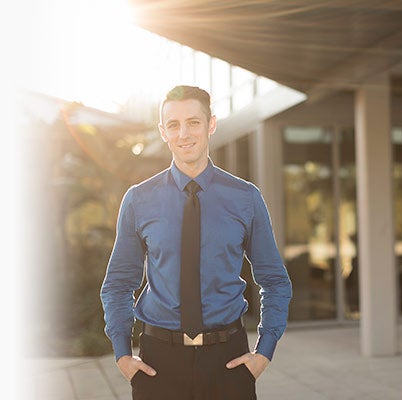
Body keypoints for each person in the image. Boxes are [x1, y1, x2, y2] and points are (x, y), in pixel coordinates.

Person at [100, 85, 292, 400]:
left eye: (193, 122)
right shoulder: (139, 200)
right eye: (173, 125)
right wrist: (122, 353)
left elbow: (275, 281)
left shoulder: (245, 198)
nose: (183, 134)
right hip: (158, 365)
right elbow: (119, 283)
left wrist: (263, 352)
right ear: (163, 131)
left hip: (228, 362)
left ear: (211, 125)